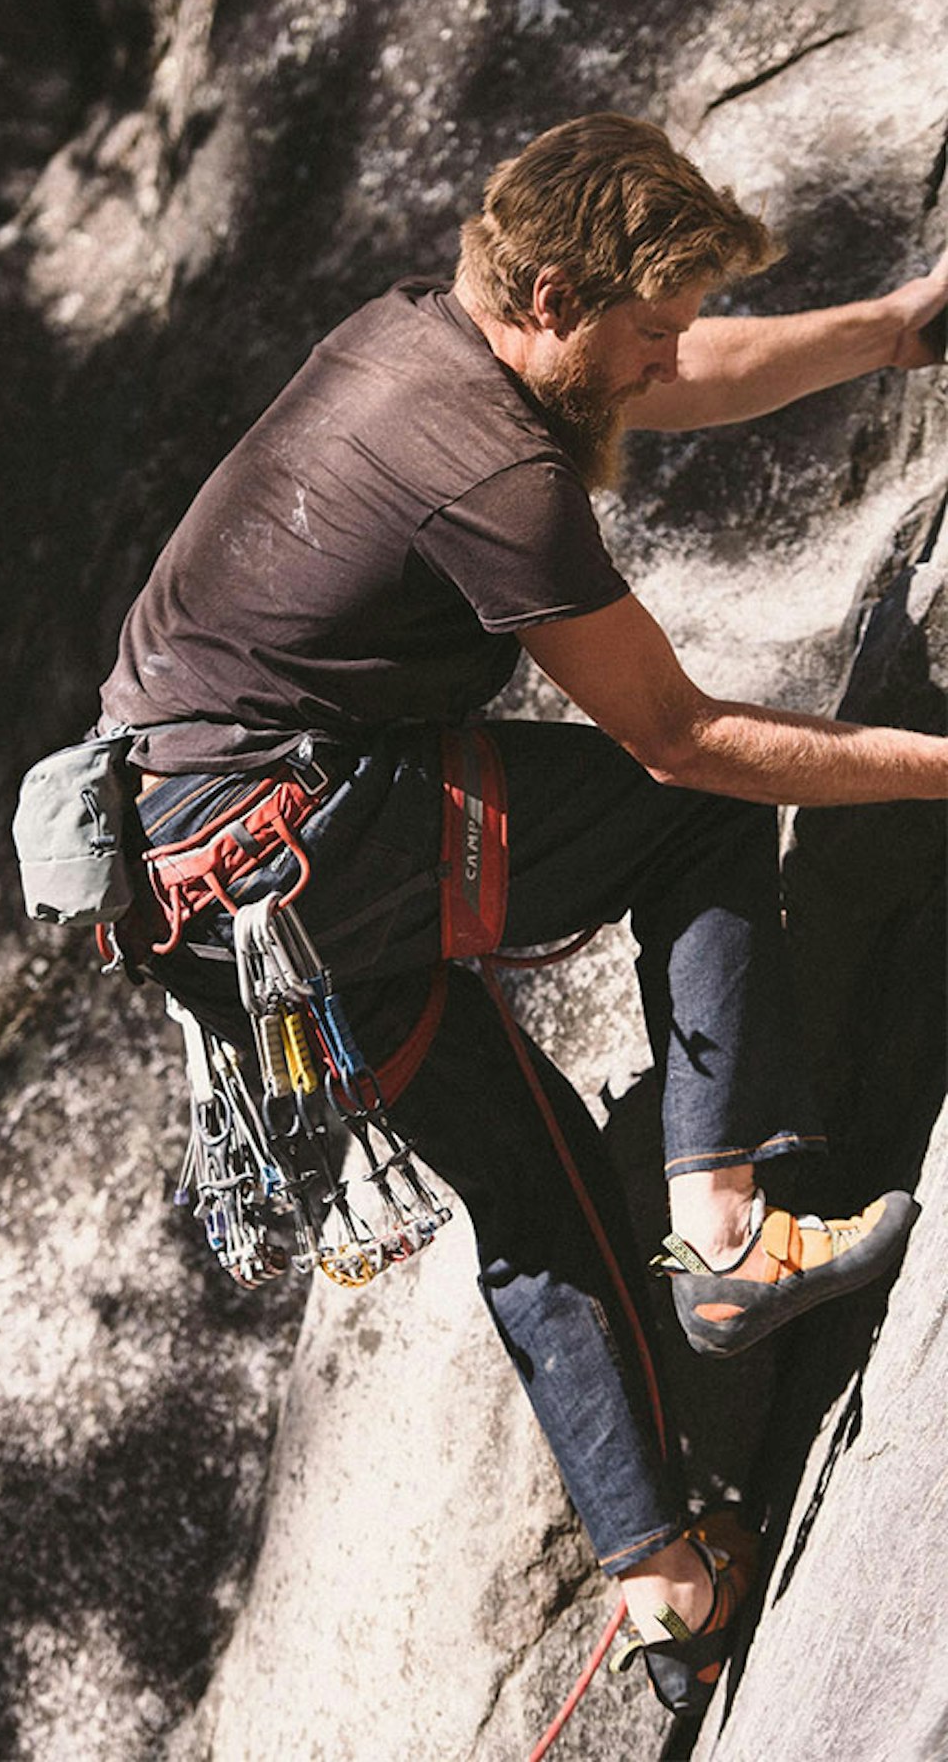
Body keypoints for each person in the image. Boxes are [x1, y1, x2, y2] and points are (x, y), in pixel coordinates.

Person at [96, 112, 943, 1716]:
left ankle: (664, 1585)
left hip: (207, 901)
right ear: (555, 296)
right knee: (696, 806)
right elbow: (677, 739)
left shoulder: (427, 335)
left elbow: (672, 377)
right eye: (644, 321)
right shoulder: (481, 461)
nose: (663, 356)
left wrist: (903, 324)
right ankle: (729, 1227)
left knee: (533, 1178)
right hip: (298, 851)